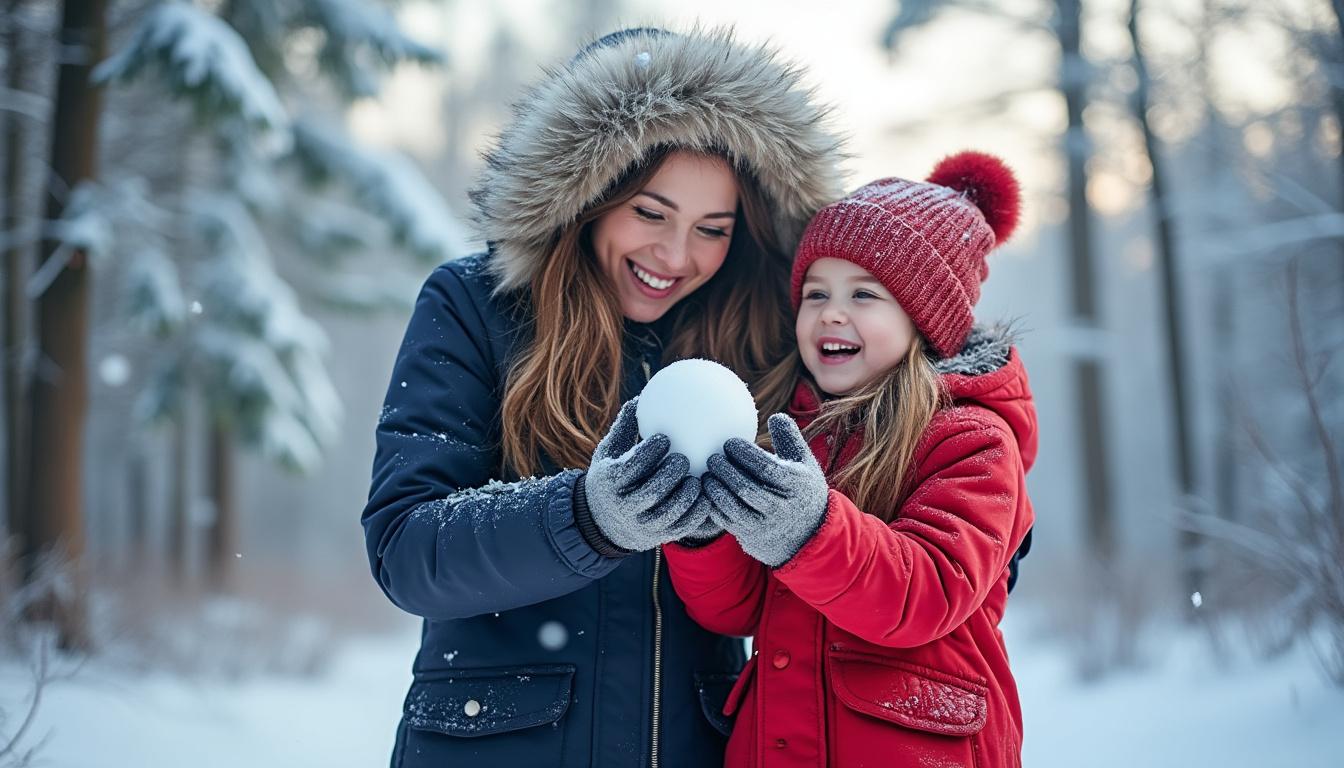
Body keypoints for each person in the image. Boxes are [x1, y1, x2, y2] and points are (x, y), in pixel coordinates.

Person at [360, 27, 844, 767]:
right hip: (496, 745)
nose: (676, 257)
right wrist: (585, 518)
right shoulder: (476, 306)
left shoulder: (761, 335)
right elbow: (408, 549)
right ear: (587, 194)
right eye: (650, 214)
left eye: (712, 229)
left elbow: (910, 455)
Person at [663, 151, 1037, 767]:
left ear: (925, 321)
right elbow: (743, 608)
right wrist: (705, 535)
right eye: (816, 293)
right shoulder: (793, 430)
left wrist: (809, 530)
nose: (831, 312)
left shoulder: (972, 441)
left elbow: (925, 592)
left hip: (915, 747)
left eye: (865, 294)